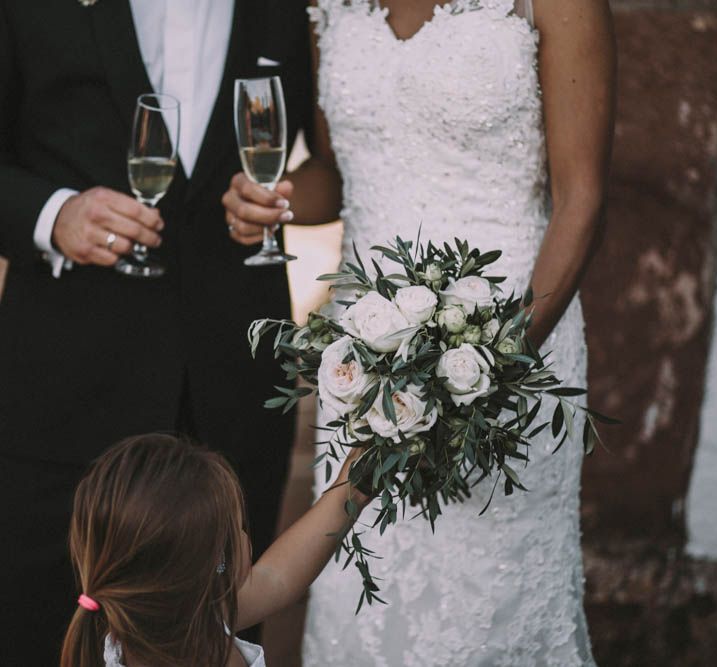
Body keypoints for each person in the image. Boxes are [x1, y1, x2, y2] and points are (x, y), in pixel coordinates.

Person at [223, 0, 616, 664]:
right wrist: (275, 198)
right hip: (366, 352)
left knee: (484, 603)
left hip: (508, 337)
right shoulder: (333, 6)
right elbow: (338, 175)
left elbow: (582, 199)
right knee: (363, 579)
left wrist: (492, 363)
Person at [0, 1, 312, 662]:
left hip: (234, 384)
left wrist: (274, 200)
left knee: (223, 627)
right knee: (41, 627)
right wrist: (53, 215)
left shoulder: (290, 8)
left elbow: (330, 160)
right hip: (65, 389)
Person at [60, 433, 369, 667]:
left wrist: (350, 493)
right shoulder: (200, 629)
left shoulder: (181, 617)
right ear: (216, 560)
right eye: (239, 527)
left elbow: (278, 577)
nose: (247, 536)